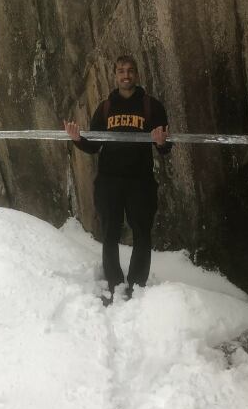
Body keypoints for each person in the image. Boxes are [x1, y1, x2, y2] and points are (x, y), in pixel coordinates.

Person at [64, 55, 171, 305]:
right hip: (109, 181)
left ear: (137, 74)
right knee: (110, 233)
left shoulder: (152, 107)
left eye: (130, 71)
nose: (126, 75)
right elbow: (94, 146)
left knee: (142, 233)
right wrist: (77, 138)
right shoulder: (105, 108)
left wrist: (162, 142)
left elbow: (166, 148)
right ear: (115, 75)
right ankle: (114, 283)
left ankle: (137, 286)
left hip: (141, 182)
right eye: (121, 71)